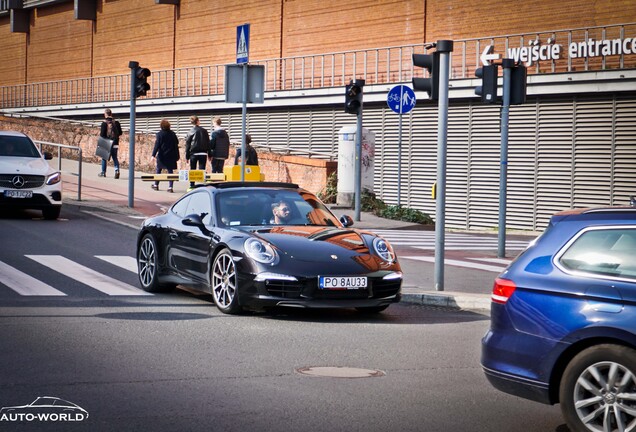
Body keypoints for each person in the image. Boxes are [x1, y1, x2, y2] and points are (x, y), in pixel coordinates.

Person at [151, 119, 180, 193]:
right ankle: (170, 187)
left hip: (162, 155)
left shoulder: (159, 134)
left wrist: (153, 155)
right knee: (170, 171)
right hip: (171, 155)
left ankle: (156, 185)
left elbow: (157, 145)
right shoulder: (173, 134)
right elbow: (176, 143)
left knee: (158, 170)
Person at [184, 115, 211, 188]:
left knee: (193, 169)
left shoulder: (190, 131)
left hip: (193, 153)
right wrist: (210, 154)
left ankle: (192, 185)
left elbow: (187, 144)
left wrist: (187, 156)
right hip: (203, 153)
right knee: (202, 170)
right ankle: (202, 185)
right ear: (197, 121)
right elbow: (208, 143)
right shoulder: (204, 131)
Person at [99, 108, 122, 178]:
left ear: (105, 115)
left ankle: (103, 172)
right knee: (115, 157)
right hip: (115, 142)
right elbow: (120, 133)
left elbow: (102, 134)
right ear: (111, 114)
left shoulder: (104, 123)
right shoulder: (116, 123)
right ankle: (117, 170)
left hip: (107, 142)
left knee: (104, 157)